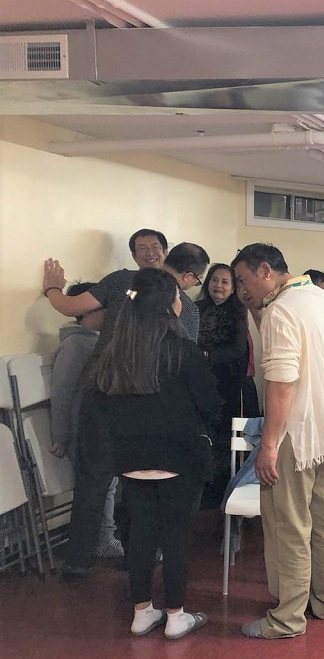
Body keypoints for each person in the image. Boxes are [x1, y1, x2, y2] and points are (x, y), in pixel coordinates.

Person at [232, 244, 324, 640]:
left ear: (265, 271)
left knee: (289, 527)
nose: (241, 289)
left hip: (297, 437)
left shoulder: (282, 311)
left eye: (244, 280)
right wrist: (257, 310)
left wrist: (268, 445)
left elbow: (282, 383)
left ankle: (286, 618)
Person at [94, 268, 221, 638]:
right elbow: (211, 405)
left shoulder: (115, 353)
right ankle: (176, 615)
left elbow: (102, 404)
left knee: (140, 536)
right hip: (178, 458)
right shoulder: (184, 351)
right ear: (171, 305)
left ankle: (141, 612)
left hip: (130, 460)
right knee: (176, 537)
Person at [42, 228, 170, 580]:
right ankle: (93, 560)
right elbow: (71, 307)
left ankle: (110, 557)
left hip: (137, 397)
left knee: (123, 482)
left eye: (155, 247)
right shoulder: (123, 282)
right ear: (133, 255)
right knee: (114, 481)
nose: (149, 252)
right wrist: (52, 288)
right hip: (112, 393)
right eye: (142, 248)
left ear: (165, 251)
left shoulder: (174, 297)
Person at [49, 283, 122, 558]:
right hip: (82, 430)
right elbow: (62, 393)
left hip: (96, 428)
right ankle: (102, 539)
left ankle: (104, 537)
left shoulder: (95, 342)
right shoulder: (77, 344)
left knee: (108, 484)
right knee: (99, 486)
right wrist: (60, 436)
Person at [196, 263, 250, 507]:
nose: (218, 286)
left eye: (225, 282)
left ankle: (220, 490)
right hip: (197, 383)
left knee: (223, 435)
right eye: (214, 280)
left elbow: (238, 350)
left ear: (233, 287)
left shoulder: (238, 313)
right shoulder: (196, 309)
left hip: (226, 384)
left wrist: (208, 356)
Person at [162, 242, 211, 342]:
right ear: (188, 276)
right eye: (198, 279)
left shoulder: (133, 282)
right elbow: (188, 349)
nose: (196, 283)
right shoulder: (188, 308)